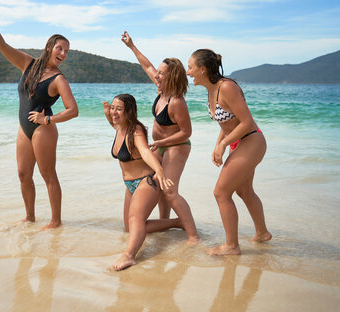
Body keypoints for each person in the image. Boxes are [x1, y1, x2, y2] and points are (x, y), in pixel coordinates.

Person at [0, 8, 78, 230]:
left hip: (42, 129)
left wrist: (48, 121)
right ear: (48, 48)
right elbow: (2, 46)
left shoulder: (59, 79)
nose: (63, 54)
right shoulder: (28, 63)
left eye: (67, 51)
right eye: (60, 48)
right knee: (23, 174)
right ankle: (30, 217)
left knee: (48, 176)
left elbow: (73, 110)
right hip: (23, 129)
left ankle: (55, 222)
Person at [187, 49, 272, 255]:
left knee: (221, 192)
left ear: (203, 69)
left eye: (190, 67)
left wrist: (224, 144)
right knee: (244, 191)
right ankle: (262, 233)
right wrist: (219, 145)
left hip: (252, 140)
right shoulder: (211, 90)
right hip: (238, 142)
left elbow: (246, 122)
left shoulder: (227, 87)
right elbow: (226, 124)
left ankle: (231, 246)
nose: (188, 72)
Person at [121, 31, 199, 244]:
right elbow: (146, 66)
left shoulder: (176, 101)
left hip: (177, 146)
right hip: (160, 145)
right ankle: (166, 223)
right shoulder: (160, 89)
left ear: (171, 76)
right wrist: (132, 46)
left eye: (162, 73)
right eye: (159, 72)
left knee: (170, 191)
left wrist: (161, 143)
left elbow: (186, 132)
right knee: (159, 188)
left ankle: (193, 235)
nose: (157, 75)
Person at [102, 94, 179, 271]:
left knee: (136, 219)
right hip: (130, 185)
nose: (114, 112)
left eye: (118, 109)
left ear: (129, 111)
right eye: (113, 107)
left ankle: (129, 256)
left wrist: (159, 171)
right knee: (129, 227)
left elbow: (144, 151)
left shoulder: (135, 130)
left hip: (147, 181)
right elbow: (113, 121)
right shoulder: (119, 127)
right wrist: (108, 112)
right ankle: (176, 222)